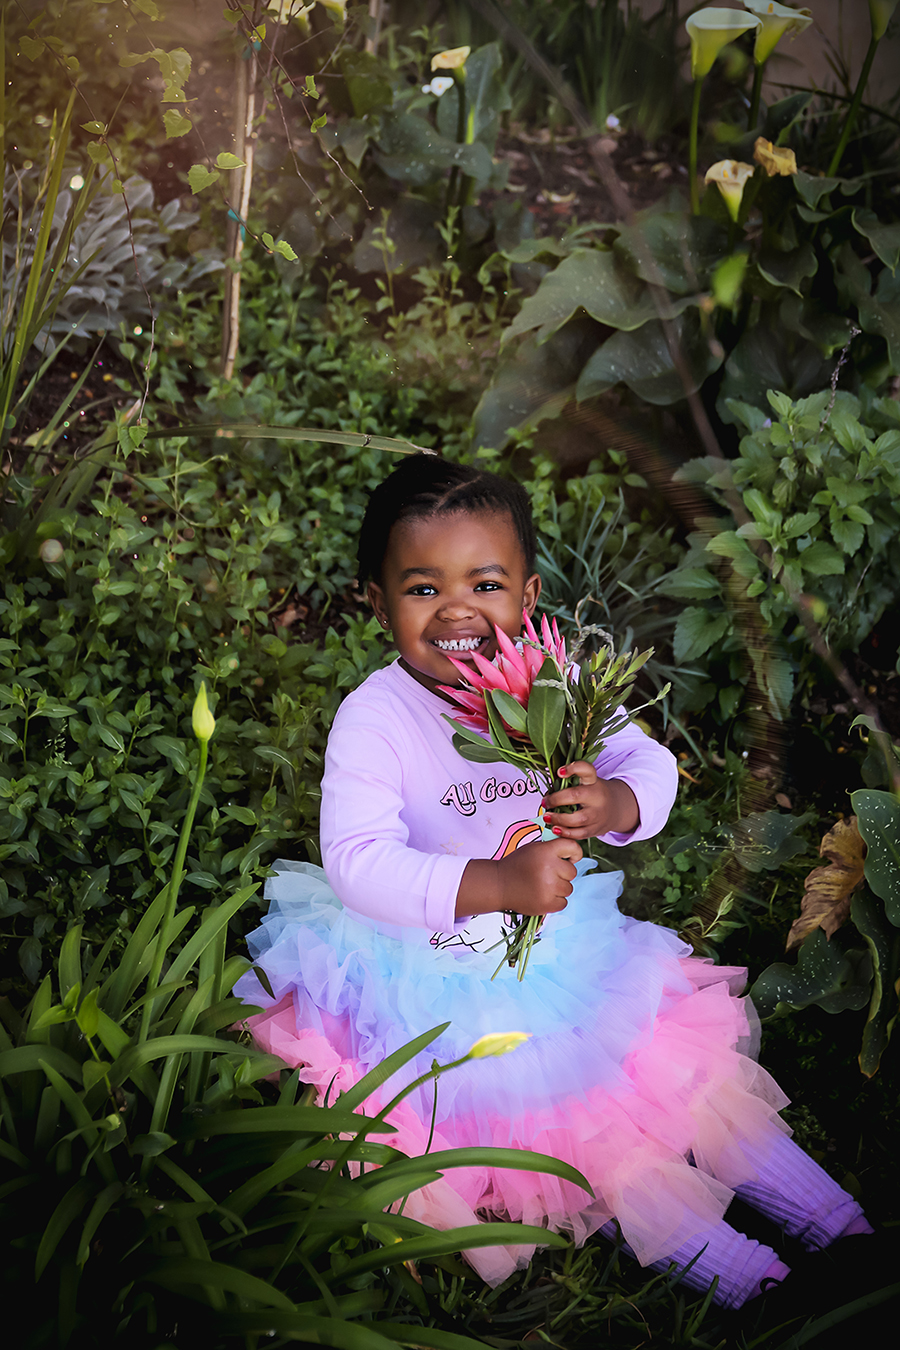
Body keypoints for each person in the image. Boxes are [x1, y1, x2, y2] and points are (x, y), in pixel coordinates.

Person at [235, 454, 871, 1307]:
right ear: (378, 600)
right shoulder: (376, 717)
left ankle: (833, 1219)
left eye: (484, 582)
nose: (456, 609)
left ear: (529, 600)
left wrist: (612, 800)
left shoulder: (551, 683)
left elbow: (644, 760)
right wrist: (497, 884)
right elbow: (358, 863)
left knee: (680, 1072)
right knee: (576, 1120)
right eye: (422, 588)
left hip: (563, 949)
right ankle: (744, 1276)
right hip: (432, 974)